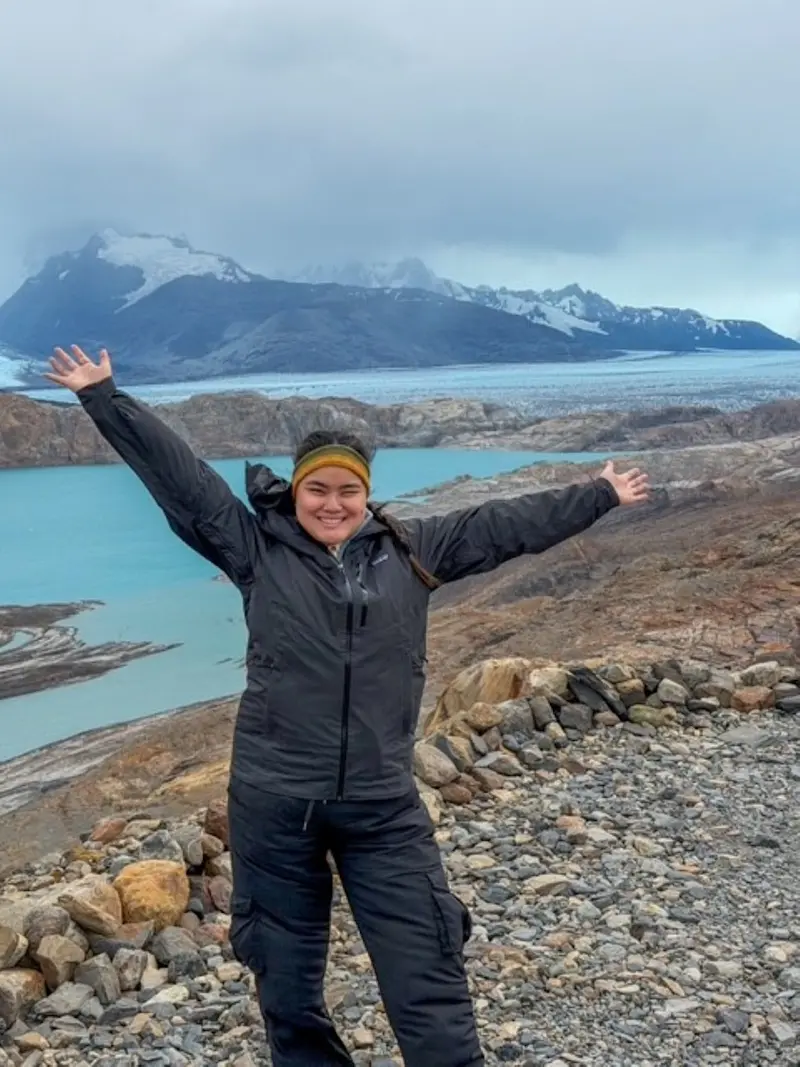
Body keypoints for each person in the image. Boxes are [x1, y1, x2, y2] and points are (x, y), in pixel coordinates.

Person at [46, 345, 650, 1067]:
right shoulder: (254, 550)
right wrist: (104, 397)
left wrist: (598, 494)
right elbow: (182, 481)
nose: (332, 504)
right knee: (287, 980)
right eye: (317, 490)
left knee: (426, 961)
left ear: (366, 494)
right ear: (296, 491)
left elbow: (502, 525)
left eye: (347, 490)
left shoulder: (413, 548)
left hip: (380, 801)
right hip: (274, 802)